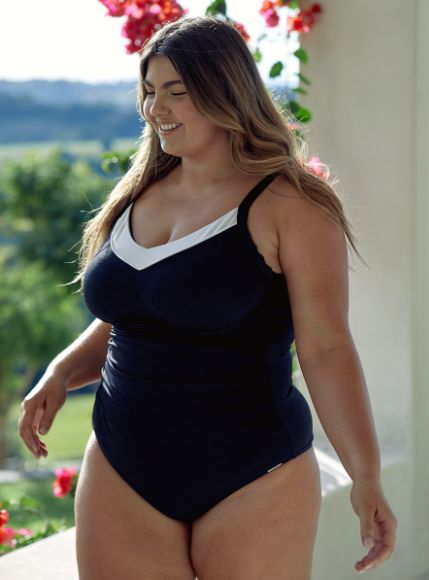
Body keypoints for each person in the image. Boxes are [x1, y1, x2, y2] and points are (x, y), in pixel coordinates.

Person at [17, 16, 395, 579]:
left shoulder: (292, 207)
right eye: (149, 91)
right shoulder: (137, 195)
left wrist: (365, 475)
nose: (156, 108)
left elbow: (326, 349)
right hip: (125, 468)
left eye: (177, 91)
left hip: (253, 474)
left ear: (225, 90)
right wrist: (62, 370)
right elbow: (137, 315)